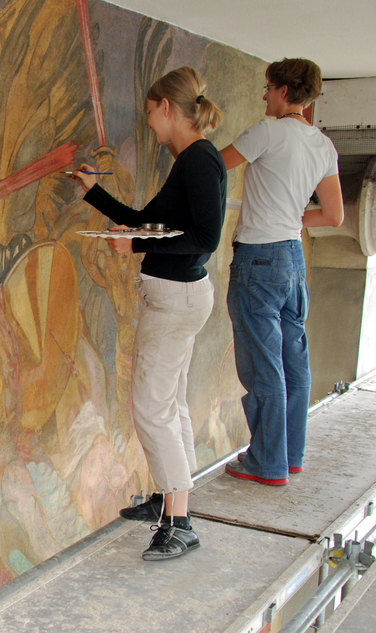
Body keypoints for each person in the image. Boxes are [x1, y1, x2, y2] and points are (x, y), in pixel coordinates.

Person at [72, 66, 226, 561]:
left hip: (176, 300)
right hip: (176, 297)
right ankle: (170, 500)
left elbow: (206, 238)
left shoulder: (200, 160)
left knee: (152, 409)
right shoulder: (190, 161)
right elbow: (147, 221)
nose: (149, 124)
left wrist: (136, 246)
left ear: (166, 107)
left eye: (150, 113)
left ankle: (179, 523)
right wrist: (93, 192)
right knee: (170, 404)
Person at [219, 58, 344, 486]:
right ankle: (290, 456)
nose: (264, 96)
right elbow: (334, 215)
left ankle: (266, 463)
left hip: (259, 258)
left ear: (285, 91)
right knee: (293, 361)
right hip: (293, 257)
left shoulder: (267, 132)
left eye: (269, 88)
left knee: (263, 365)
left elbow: (212, 165)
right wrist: (291, 217)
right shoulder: (323, 145)